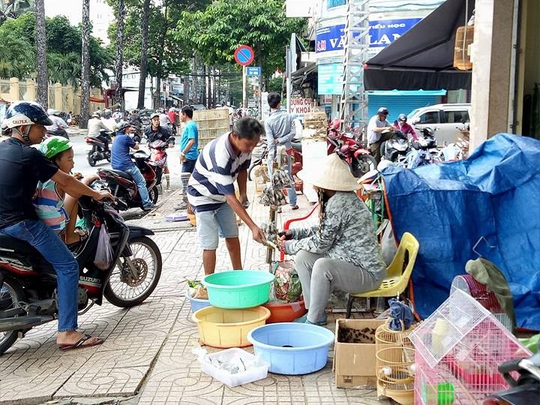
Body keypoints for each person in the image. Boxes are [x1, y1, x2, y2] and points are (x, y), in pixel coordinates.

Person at [0, 101, 112, 350]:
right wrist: (96, 195)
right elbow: (68, 184)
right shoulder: (28, 154)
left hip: (3, 225)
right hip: (20, 224)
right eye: (40, 127)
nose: (44, 132)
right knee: (68, 266)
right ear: (23, 127)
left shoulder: (3, 150)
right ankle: (67, 332)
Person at [277, 153, 387, 325]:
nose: (313, 188)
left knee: (322, 265)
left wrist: (290, 246)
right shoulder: (340, 198)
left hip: (368, 273)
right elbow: (325, 230)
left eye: (316, 185)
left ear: (324, 186)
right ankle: (314, 312)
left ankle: (313, 322)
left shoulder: (339, 203)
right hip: (352, 262)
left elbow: (321, 243)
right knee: (303, 257)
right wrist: (295, 233)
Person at [187, 117, 267, 275]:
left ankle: (239, 275)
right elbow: (231, 199)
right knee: (210, 243)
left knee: (232, 235)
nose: (251, 148)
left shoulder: (245, 148)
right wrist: (253, 227)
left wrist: (243, 193)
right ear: (235, 136)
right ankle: (208, 283)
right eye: (249, 144)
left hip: (222, 196)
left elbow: (243, 169)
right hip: (202, 196)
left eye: (255, 144)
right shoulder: (220, 154)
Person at [34, 136, 98, 245]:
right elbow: (76, 190)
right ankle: (70, 236)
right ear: (54, 161)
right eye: (69, 159)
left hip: (41, 222)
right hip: (54, 225)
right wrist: (87, 180)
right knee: (75, 196)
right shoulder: (59, 180)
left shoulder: (40, 174)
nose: (73, 163)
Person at [264, 92, 298, 210]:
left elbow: (270, 142)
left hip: (274, 153)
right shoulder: (288, 116)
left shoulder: (268, 121)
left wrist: (271, 156)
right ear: (279, 104)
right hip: (286, 151)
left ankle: (277, 206)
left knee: (275, 178)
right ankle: (293, 203)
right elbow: (293, 133)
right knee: (288, 176)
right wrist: (282, 139)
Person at [111, 121, 155, 211]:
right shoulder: (126, 137)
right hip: (127, 166)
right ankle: (147, 204)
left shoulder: (116, 138)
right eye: (127, 128)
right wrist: (134, 136)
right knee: (141, 182)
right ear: (124, 129)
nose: (129, 129)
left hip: (115, 166)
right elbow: (136, 147)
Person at [145, 112, 174, 190]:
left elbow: (170, 137)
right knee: (149, 165)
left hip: (161, 151)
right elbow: (146, 137)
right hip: (152, 151)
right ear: (151, 121)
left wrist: (170, 143)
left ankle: (168, 184)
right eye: (155, 120)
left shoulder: (163, 130)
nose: (156, 121)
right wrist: (147, 143)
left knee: (165, 166)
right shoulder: (147, 130)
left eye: (158, 120)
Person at [177, 106, 199, 210]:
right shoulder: (190, 125)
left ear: (185, 114)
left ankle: (186, 202)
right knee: (190, 179)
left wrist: (183, 153)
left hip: (189, 156)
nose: (179, 116)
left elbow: (191, 141)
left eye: (180, 114)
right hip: (190, 156)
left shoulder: (190, 126)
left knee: (185, 179)